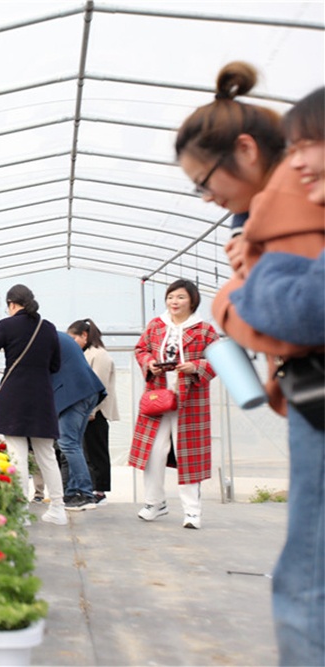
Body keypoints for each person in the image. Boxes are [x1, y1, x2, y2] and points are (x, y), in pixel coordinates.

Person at [211, 87, 325, 667]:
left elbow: (303, 313)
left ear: (246, 151)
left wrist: (236, 293)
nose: (296, 163)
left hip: (317, 403)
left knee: (308, 582)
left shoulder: (285, 204)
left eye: (306, 145)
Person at [175, 61, 287, 276]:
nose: (207, 198)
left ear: (245, 150)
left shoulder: (309, 204)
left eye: (204, 183)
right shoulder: (247, 222)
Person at [129, 279, 218, 530]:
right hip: (157, 398)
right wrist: (149, 363)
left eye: (180, 297)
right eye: (170, 297)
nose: (174, 302)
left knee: (188, 454)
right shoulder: (156, 325)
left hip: (190, 401)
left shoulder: (204, 330)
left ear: (192, 300)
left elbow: (219, 359)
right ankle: (154, 503)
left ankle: (192, 511)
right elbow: (141, 349)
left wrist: (195, 366)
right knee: (153, 452)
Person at [0, 285, 67, 526]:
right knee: (47, 454)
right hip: (42, 397)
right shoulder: (48, 327)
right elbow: (55, 365)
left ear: (12, 304)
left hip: (15, 396)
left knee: (17, 454)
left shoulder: (6, 326)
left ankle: (20, 512)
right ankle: (58, 508)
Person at [51, 332, 106, 511]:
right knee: (74, 444)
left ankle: (85, 493)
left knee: (67, 444)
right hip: (87, 391)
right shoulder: (58, 336)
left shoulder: (40, 340)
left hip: (73, 395)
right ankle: (73, 492)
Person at [67, 319, 120, 504]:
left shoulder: (99, 354)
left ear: (84, 335)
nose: (72, 343)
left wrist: (93, 410)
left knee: (96, 450)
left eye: (73, 338)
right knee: (87, 451)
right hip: (85, 411)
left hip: (96, 412)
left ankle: (100, 490)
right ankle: (89, 488)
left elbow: (99, 385)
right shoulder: (87, 353)